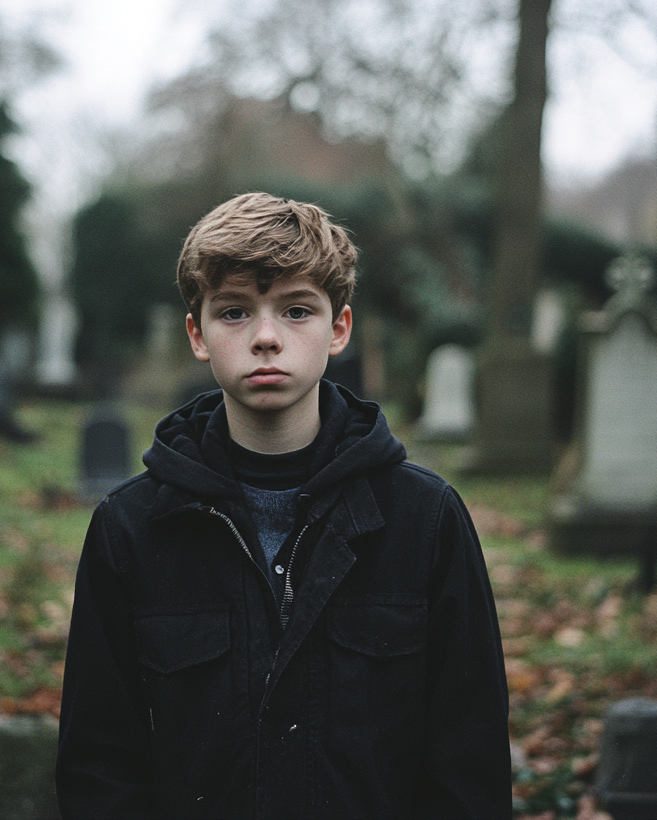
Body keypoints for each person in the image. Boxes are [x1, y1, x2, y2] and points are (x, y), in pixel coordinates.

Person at [56, 192, 512, 819]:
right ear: (198, 333)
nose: (266, 338)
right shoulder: (130, 529)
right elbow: (99, 765)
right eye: (235, 312)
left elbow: (470, 760)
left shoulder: (425, 519)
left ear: (339, 329)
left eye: (297, 311)